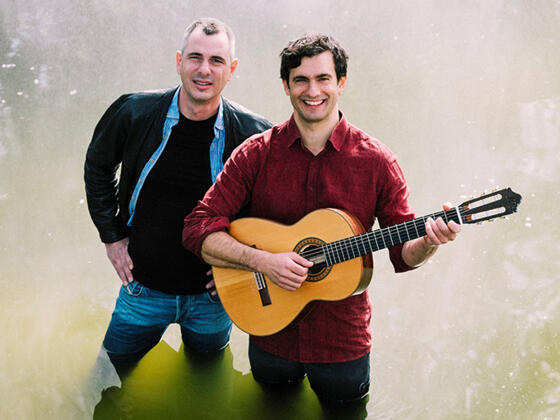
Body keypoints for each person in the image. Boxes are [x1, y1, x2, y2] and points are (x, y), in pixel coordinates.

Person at [182, 33, 460, 405]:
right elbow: (197, 227)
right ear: (286, 86)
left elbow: (403, 254)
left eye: (323, 78)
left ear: (341, 82)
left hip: (341, 343)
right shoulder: (255, 154)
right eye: (301, 80)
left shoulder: (377, 162)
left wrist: (428, 241)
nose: (312, 91)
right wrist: (262, 262)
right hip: (269, 332)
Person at [84, 17, 272, 378]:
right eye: (195, 57)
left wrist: (242, 266)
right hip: (141, 290)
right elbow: (97, 167)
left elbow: (272, 211)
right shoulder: (133, 112)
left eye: (216, 61)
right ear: (178, 61)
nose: (204, 70)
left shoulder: (254, 135)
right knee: (104, 382)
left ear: (231, 70)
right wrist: (112, 236)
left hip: (213, 299)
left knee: (206, 383)